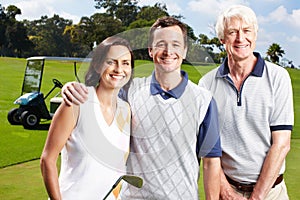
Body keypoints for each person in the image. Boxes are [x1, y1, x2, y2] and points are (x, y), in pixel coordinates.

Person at [61, 16, 222, 199]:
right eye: (161, 44)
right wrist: (71, 87)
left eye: (176, 44)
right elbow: (99, 99)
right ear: (150, 50)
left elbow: (211, 163)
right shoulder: (128, 91)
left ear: (184, 51)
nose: (168, 51)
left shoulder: (204, 100)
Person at [198, 5, 294, 200]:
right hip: (227, 192)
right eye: (233, 32)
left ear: (255, 34)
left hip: (272, 193)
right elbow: (209, 150)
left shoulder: (278, 77)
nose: (241, 38)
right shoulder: (206, 84)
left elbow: (282, 144)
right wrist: (225, 191)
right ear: (222, 39)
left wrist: (256, 197)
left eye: (247, 30)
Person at [40, 36, 134, 200]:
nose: (119, 69)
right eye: (111, 62)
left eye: (125, 63)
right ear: (98, 65)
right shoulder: (75, 104)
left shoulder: (126, 111)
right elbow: (47, 160)